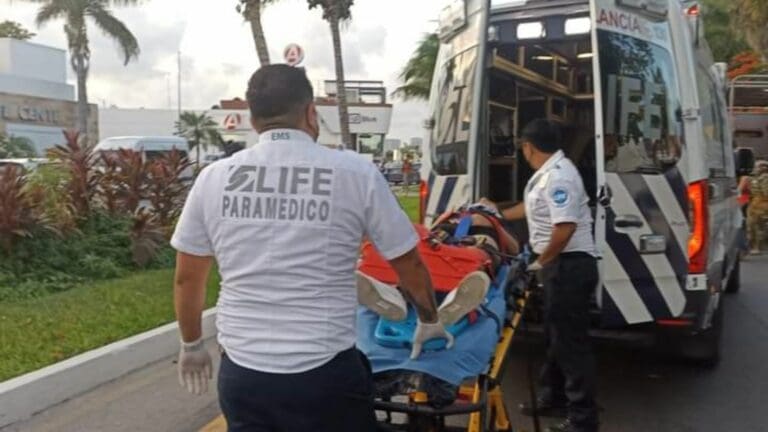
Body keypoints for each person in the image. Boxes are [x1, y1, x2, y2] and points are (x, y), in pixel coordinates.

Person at [171, 64, 452, 432]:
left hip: (244, 374)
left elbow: (187, 279)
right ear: (310, 113)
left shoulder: (214, 178)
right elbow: (409, 262)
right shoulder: (355, 173)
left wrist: (191, 344)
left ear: (253, 121)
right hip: (326, 374)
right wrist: (429, 319)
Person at [484, 119, 599, 432]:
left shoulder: (559, 178)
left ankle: (583, 419)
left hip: (569, 265)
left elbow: (565, 228)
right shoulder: (548, 174)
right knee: (554, 337)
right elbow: (530, 207)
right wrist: (497, 213)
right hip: (561, 265)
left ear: (528, 146)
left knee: (570, 345)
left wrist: (541, 261)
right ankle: (554, 397)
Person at [748, 160, 768, 254]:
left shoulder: (765, 178)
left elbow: (766, 193)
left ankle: (757, 247)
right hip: (755, 203)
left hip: (761, 204)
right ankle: (756, 246)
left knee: (757, 226)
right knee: (754, 226)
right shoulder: (756, 178)